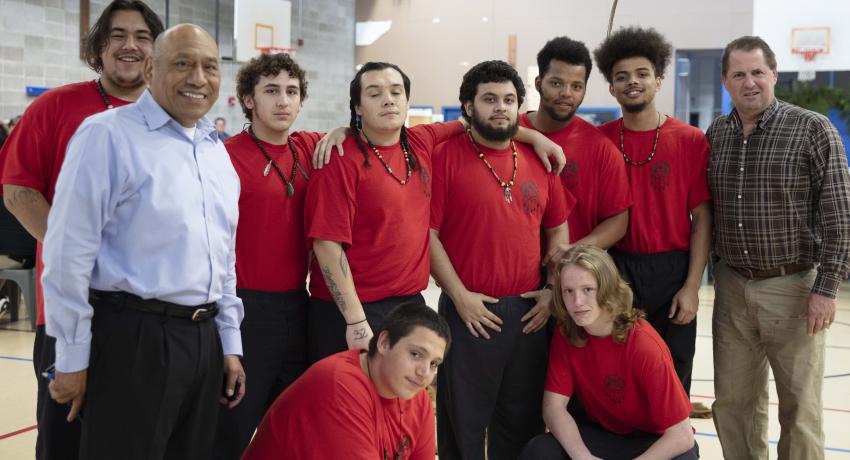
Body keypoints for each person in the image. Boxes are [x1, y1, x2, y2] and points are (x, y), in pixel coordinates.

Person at [41, 24, 245, 459]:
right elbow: (67, 253)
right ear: (151, 70)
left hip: (203, 342)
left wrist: (228, 342)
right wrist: (73, 355)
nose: (198, 78)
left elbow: (223, 259)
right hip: (133, 340)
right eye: (183, 63)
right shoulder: (107, 135)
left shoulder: (215, 152)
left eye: (210, 66)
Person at [304, 61, 565, 363]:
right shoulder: (339, 160)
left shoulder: (419, 141)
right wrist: (354, 320)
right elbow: (326, 244)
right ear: (358, 107)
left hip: (409, 305)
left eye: (396, 92)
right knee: (352, 404)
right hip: (352, 310)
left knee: (400, 402)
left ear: (406, 101)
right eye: (374, 94)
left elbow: (479, 121)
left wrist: (535, 137)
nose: (388, 99)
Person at [0, 2, 164, 458]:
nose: (129, 45)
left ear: (156, 49)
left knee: (134, 437)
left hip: (147, 315)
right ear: (98, 46)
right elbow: (18, 190)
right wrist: (80, 254)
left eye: (142, 36)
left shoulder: (170, 117)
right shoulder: (56, 106)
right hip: (70, 306)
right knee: (65, 437)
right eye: (117, 35)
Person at [707, 36, 850, 459]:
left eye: (757, 72)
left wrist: (825, 289)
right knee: (733, 405)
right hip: (732, 288)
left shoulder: (813, 129)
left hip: (794, 288)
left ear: (774, 75)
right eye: (739, 74)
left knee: (800, 409)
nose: (749, 82)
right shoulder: (716, 133)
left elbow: (841, 217)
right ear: (725, 81)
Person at [430, 60, 571, 460]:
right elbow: (428, 235)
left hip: (530, 313)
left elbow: (558, 231)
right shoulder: (444, 157)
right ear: (469, 107)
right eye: (489, 99)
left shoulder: (539, 160)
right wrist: (459, 297)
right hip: (469, 310)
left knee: (522, 423)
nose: (501, 108)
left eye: (509, 100)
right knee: (463, 427)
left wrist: (550, 291)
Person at [213, 52, 342, 459]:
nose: (283, 101)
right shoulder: (225, 156)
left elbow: (368, 136)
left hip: (297, 307)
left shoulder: (308, 147)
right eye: (271, 91)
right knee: (230, 429)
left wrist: (343, 130)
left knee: (290, 431)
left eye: (291, 91)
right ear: (248, 100)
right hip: (243, 309)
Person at [593, 27, 712, 406]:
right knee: (618, 375)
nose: (633, 82)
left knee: (673, 377)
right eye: (622, 76)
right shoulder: (600, 140)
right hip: (615, 269)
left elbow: (703, 220)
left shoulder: (690, 140)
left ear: (658, 81)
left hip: (672, 270)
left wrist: (692, 285)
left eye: (642, 74)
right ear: (611, 88)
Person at [519, 245, 698, 460]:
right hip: (601, 436)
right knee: (540, 451)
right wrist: (582, 457)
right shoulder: (567, 332)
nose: (577, 302)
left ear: (608, 289)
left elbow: (682, 435)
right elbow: (553, 409)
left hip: (650, 441)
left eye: (588, 290)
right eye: (568, 291)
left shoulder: (645, 345)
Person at [242, 302, 451, 460]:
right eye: (415, 354)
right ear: (384, 343)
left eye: (434, 364)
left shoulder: (418, 399)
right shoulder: (339, 385)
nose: (424, 372)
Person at [520, 36, 631, 247]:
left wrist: (572, 252)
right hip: (514, 271)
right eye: (556, 83)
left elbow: (618, 221)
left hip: (572, 273)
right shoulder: (511, 134)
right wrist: (529, 135)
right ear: (538, 83)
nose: (566, 94)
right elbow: (472, 127)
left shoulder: (601, 148)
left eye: (576, 86)